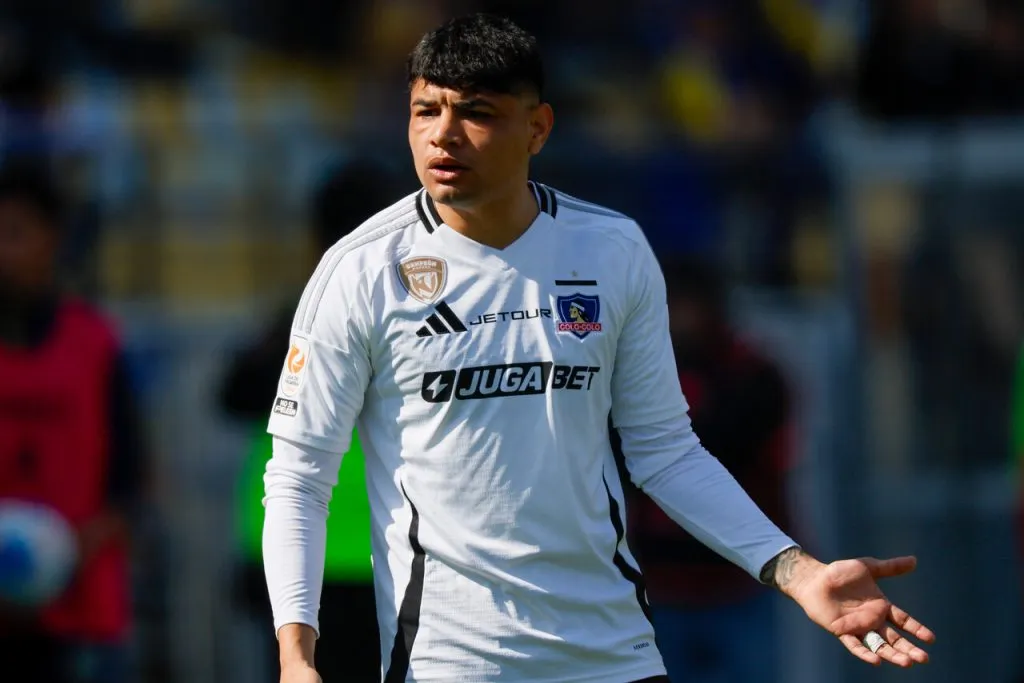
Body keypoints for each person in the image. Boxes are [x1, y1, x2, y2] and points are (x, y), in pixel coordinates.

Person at [262, 14, 935, 683]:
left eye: (476, 112)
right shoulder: (361, 269)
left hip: (612, 656)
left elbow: (666, 452)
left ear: (538, 128)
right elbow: (297, 475)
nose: (443, 133)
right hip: (448, 665)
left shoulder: (611, 250)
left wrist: (797, 570)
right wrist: (297, 657)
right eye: (424, 110)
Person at [220, 158, 404, 682]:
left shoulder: (299, 314)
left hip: (299, 549)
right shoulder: (396, 316)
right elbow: (235, 395)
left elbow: (234, 394)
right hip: (367, 551)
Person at [0, 163, 146, 682]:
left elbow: (131, 481)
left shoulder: (94, 342)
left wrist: (68, 551)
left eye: (14, 233)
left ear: (52, 240)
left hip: (80, 614)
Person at [626, 257, 795, 682]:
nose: (682, 319)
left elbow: (728, 450)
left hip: (740, 582)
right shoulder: (634, 375)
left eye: (690, 304)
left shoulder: (753, 374)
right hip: (658, 586)